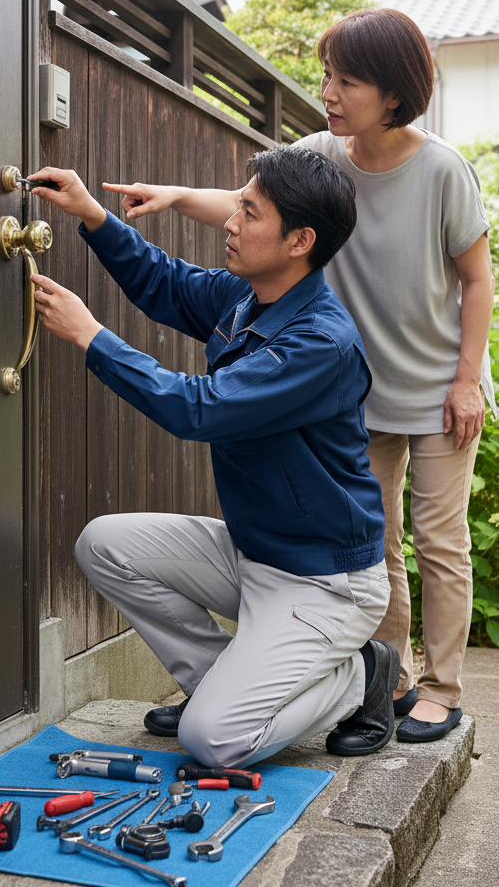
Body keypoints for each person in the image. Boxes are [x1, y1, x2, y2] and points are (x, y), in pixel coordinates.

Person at [109, 8, 494, 747]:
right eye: (327, 75)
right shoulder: (321, 151)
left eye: (347, 80)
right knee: (372, 547)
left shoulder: (442, 169)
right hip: (352, 388)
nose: (329, 91)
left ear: (392, 93)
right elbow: (262, 207)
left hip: (437, 388)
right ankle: (389, 679)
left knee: (440, 540)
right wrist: (174, 197)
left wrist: (466, 379)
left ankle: (441, 689)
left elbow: (476, 279)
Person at [25, 146, 399, 767]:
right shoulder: (250, 298)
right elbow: (166, 283)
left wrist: (92, 336)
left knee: (213, 743)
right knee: (104, 544)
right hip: (255, 553)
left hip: (324, 583)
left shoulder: (320, 344)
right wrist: (92, 214)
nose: (230, 221)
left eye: (248, 213)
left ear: (299, 240)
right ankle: (218, 686)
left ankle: (361, 677)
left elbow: (199, 408)